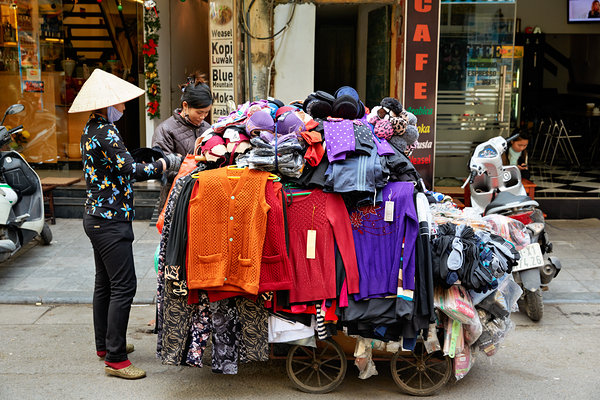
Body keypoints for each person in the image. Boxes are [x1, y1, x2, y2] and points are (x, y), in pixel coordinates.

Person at [68, 69, 182, 379]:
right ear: (107, 105)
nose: (125, 108)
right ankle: (116, 360)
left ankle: (105, 345)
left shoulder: (91, 129)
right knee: (124, 285)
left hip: (96, 217)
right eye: (121, 103)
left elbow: (117, 167)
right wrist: (164, 163)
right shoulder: (106, 132)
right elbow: (130, 169)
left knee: (104, 283)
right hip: (109, 221)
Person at [152, 70, 212, 211]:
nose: (203, 116)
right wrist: (196, 166)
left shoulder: (208, 129)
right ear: (185, 105)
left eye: (206, 112)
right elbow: (162, 169)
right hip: (176, 202)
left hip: (203, 199)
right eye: (199, 112)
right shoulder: (165, 130)